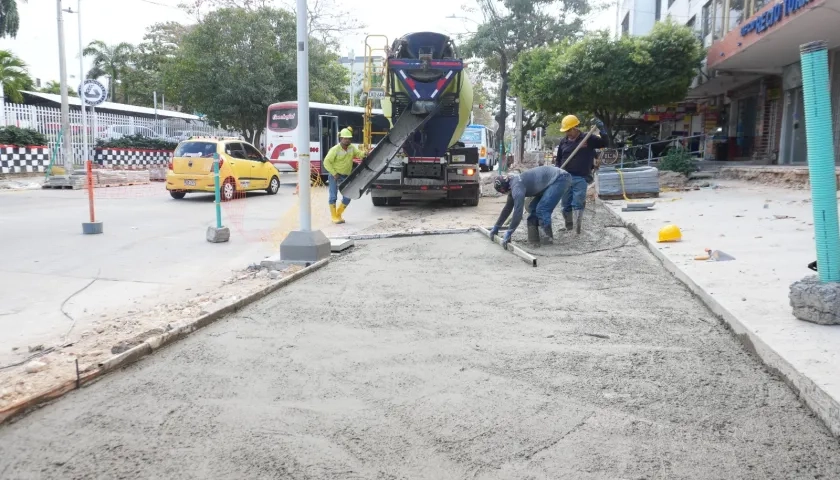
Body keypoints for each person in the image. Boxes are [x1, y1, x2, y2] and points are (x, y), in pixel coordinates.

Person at [489, 165, 571, 248]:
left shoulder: (517, 187)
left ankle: (547, 242)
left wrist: (510, 231)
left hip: (560, 178)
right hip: (549, 181)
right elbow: (507, 209)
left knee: (542, 209)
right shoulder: (512, 183)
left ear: (505, 188)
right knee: (533, 208)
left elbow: (518, 212)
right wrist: (497, 226)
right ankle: (534, 240)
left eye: (503, 192)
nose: (505, 194)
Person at [554, 114, 606, 234]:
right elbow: (558, 159)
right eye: (566, 131)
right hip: (565, 177)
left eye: (568, 130)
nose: (567, 133)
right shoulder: (564, 141)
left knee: (577, 202)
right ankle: (569, 227)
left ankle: (577, 229)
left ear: (575, 127)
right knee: (565, 203)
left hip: (580, 177)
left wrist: (603, 130)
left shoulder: (588, 138)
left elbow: (604, 143)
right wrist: (557, 172)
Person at [323, 127, 364, 224]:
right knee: (333, 196)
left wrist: (365, 153)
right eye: (345, 138)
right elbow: (326, 162)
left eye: (349, 138)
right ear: (341, 139)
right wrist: (334, 173)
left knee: (347, 197)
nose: (347, 140)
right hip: (335, 176)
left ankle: (338, 214)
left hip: (346, 176)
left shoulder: (351, 148)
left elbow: (359, 154)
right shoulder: (335, 149)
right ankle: (333, 217)